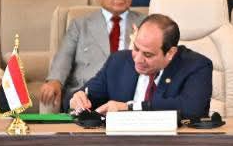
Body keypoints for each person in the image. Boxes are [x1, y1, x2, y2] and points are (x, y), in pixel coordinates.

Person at [69, 13, 213, 121]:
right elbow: (87, 95)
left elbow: (192, 109)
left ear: (170, 53)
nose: (138, 60)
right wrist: (77, 99)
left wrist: (130, 107)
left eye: (148, 55)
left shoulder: (196, 66)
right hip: (119, 145)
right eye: (136, 48)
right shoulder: (118, 62)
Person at [39, 0, 140, 111]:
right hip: (85, 93)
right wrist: (55, 80)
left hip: (127, 95)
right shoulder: (80, 24)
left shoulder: (145, 24)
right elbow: (64, 57)